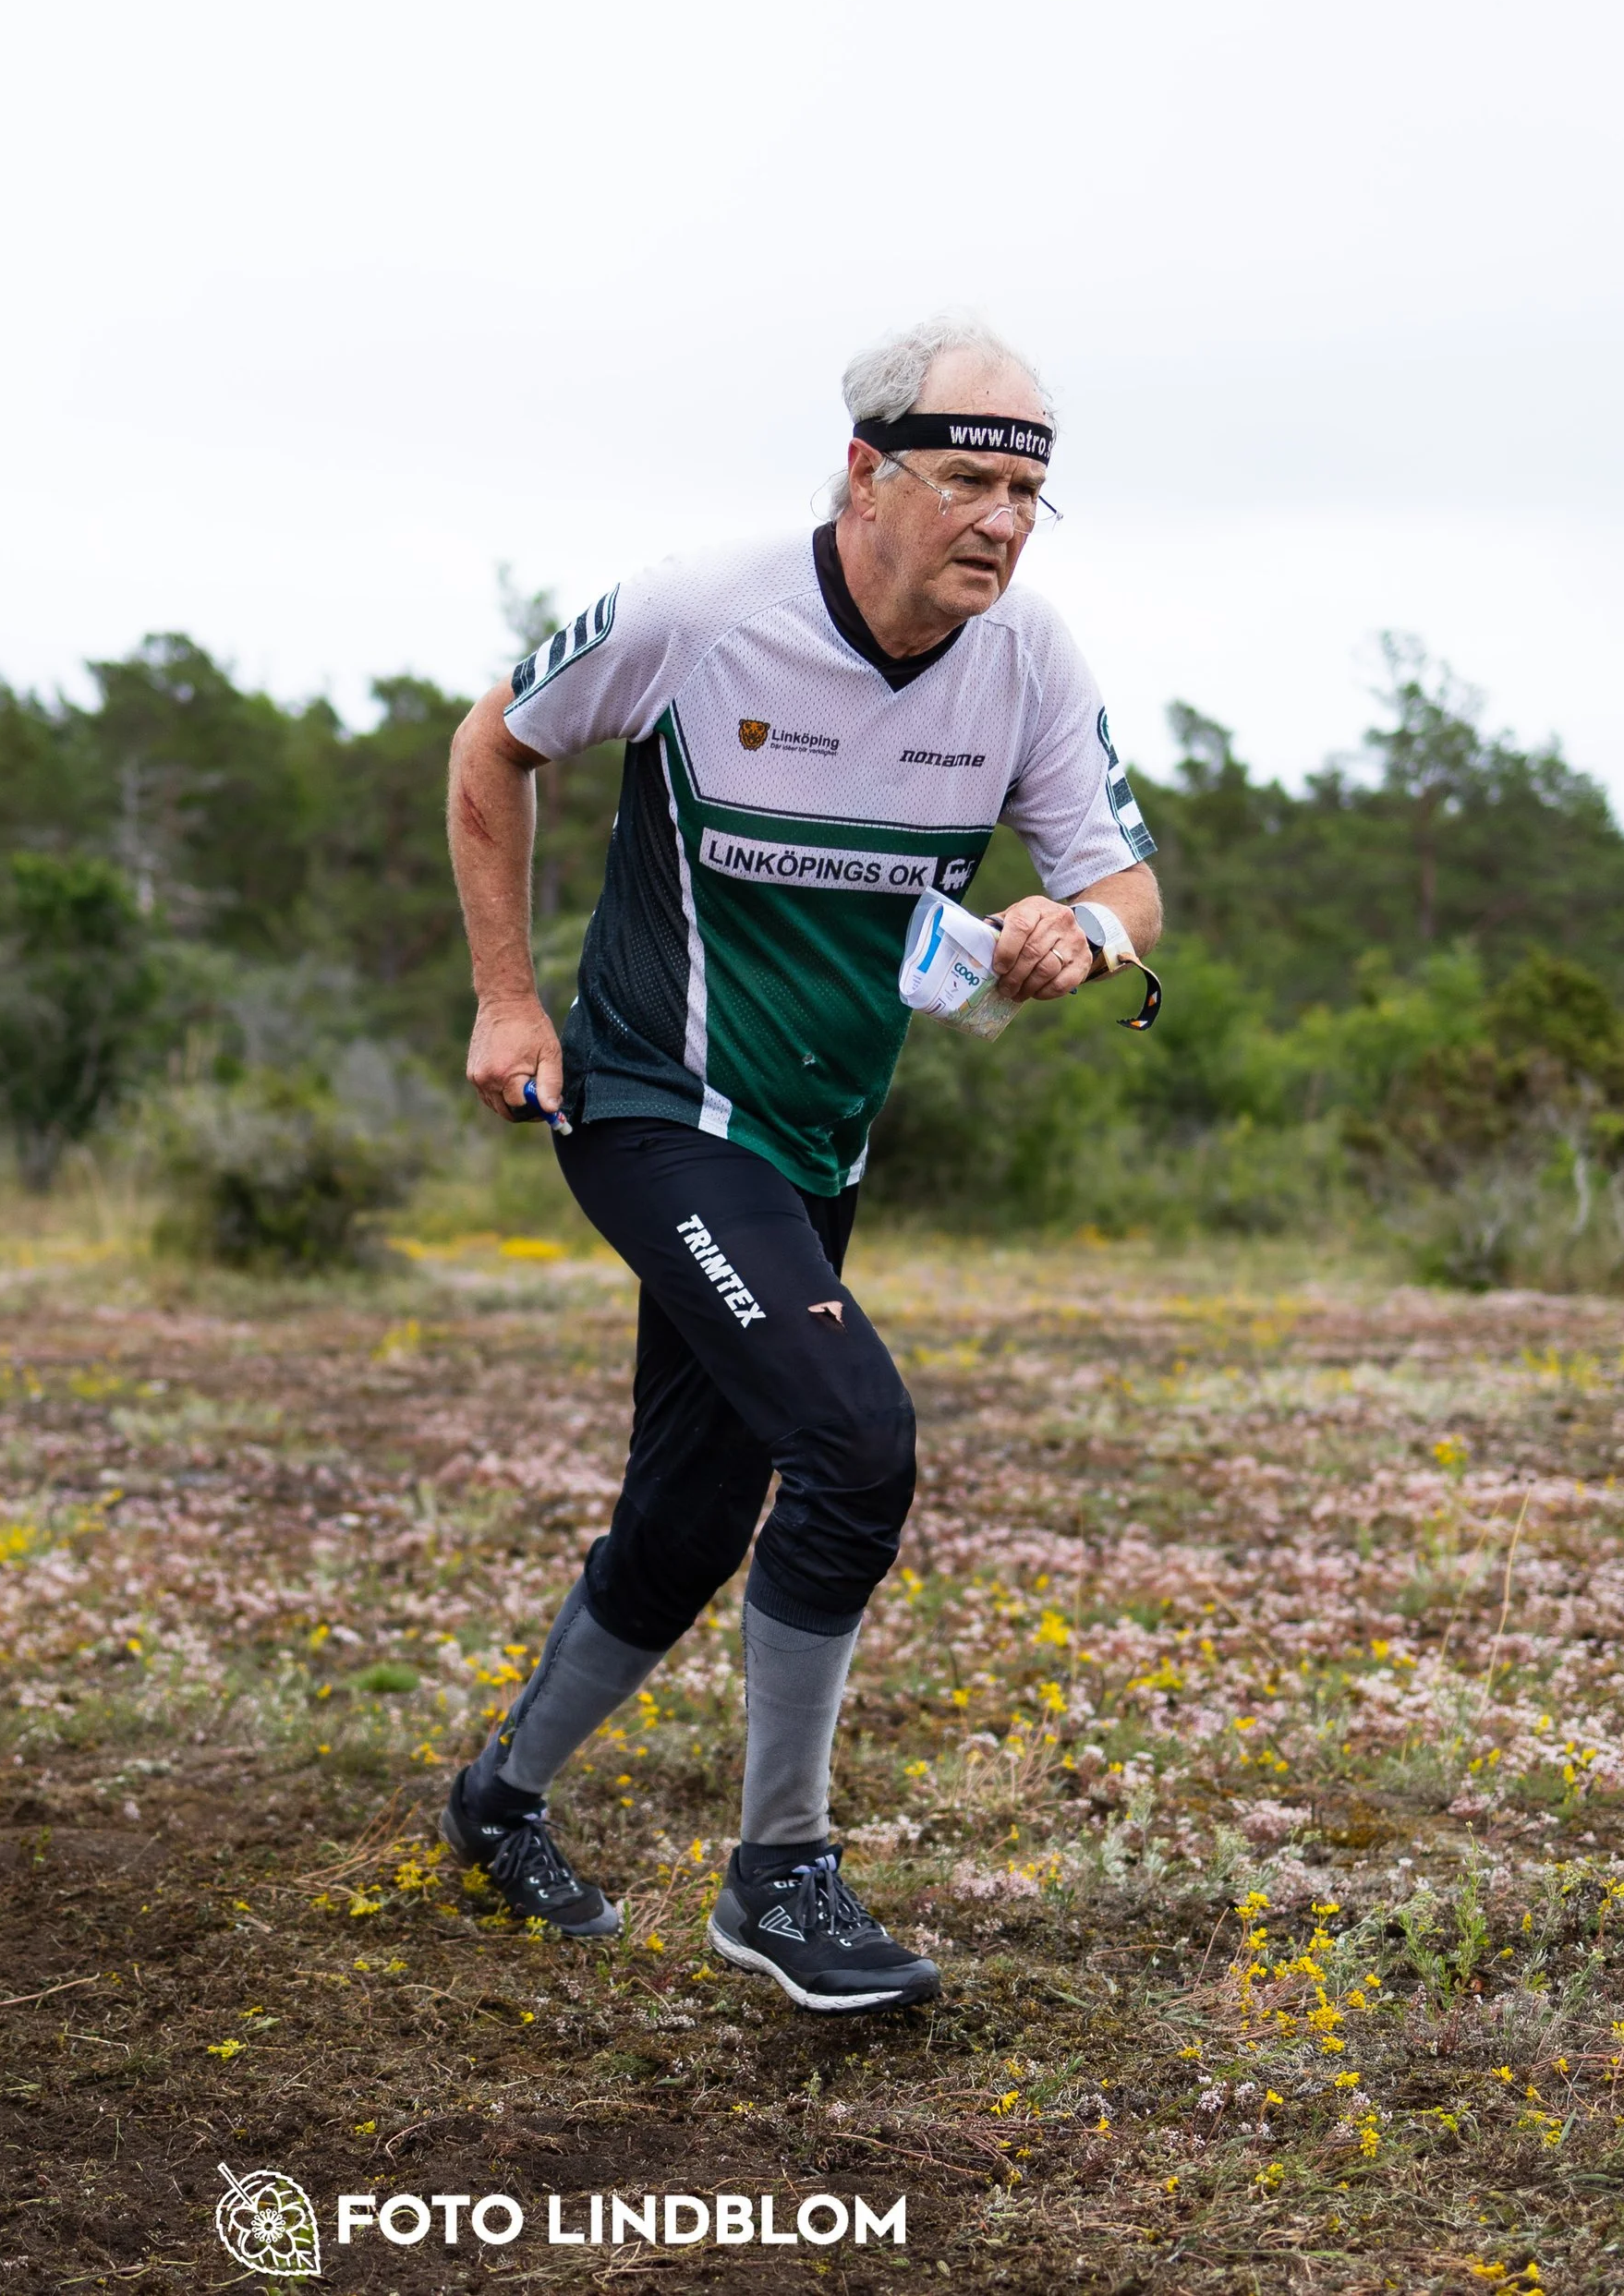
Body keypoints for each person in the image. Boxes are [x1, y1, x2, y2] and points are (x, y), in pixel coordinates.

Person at [440, 314, 1162, 2014]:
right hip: (650, 1107)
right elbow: (495, 747)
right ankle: (782, 1874)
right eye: (968, 482)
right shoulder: (703, 613)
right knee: (854, 1443)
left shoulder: (1029, 663)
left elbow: (1130, 887)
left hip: (813, 1150)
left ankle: (498, 1801)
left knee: (692, 1517)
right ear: (866, 474)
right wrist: (505, 998)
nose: (997, 522)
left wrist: (1080, 932)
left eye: (1024, 497)